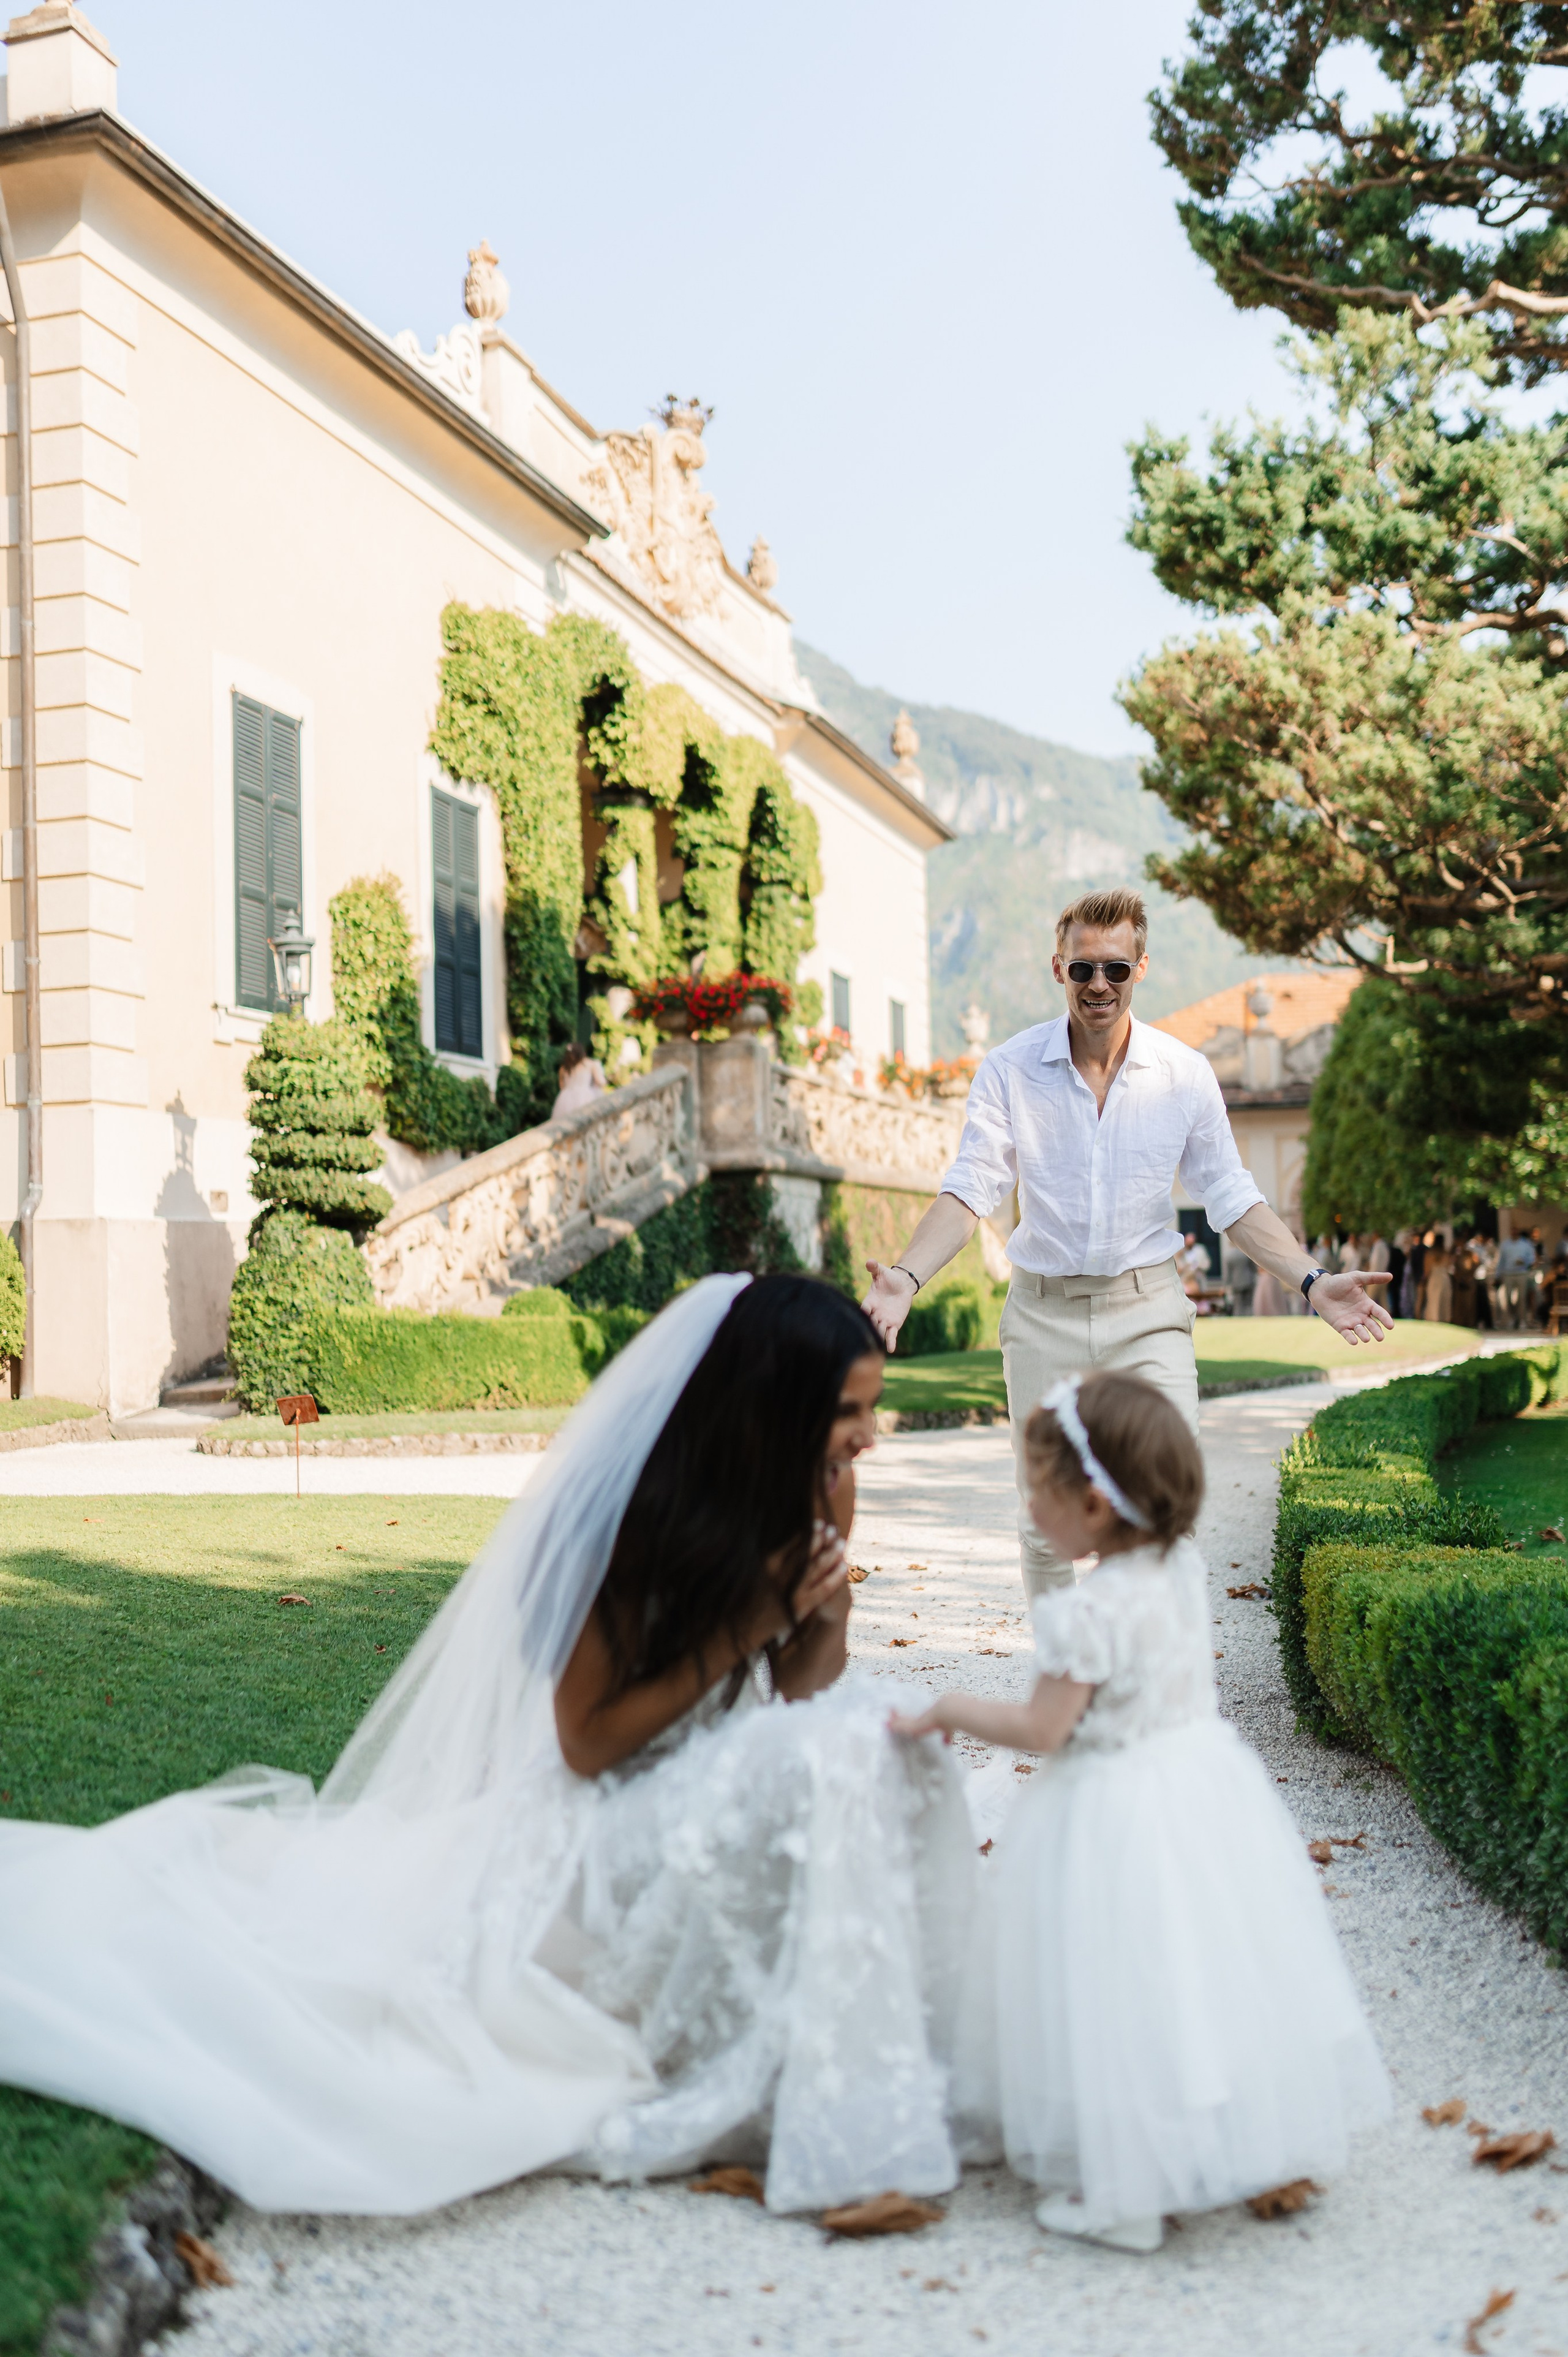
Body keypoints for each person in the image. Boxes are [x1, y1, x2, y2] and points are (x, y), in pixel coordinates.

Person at [0, 1277, 976, 2215]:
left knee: (883, 1740)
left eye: (872, 1407)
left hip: (695, 1788)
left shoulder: (821, 1489)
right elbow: (586, 1743)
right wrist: (749, 1623)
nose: (869, 1431)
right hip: (587, 1825)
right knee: (829, 1754)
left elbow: (802, 1695)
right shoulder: (636, 1519)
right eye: (850, 1410)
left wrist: (826, 1617)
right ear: (776, 1404)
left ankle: (879, 2063)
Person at [891, 1370, 1388, 2253]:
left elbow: (1045, 1728)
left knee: (1105, 1980)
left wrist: (950, 1709)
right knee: (1195, 1968)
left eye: (1035, 1489)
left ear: (1091, 1503)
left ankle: (1123, 2193)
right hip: (1199, 1787)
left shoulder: (1086, 1609)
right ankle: (1221, 2131)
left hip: (1111, 1808)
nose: (1027, 1506)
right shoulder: (1178, 1567)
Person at [862, 888, 1393, 1598]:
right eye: (1083, 969)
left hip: (1147, 1315)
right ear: (1059, 968)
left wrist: (1311, 1279)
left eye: (1115, 968)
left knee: (1164, 1504)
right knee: (1045, 1521)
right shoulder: (1010, 1070)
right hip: (1042, 1314)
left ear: (1140, 968)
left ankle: (1153, 1658)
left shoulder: (1183, 1074)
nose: (1099, 985)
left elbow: (1231, 1195)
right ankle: (1064, 1665)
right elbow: (971, 1189)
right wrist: (905, 1277)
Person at [552, 1041, 607, 1121]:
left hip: (566, 1099)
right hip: (585, 1096)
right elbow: (600, 1082)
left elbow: (562, 1086)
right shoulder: (590, 1063)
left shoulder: (563, 1068)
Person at [1418, 1237, 1453, 1323]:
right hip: (1445, 1278)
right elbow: (1449, 1267)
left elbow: (1427, 1270)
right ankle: (1444, 1319)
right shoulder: (1446, 1254)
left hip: (1434, 1278)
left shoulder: (1430, 1254)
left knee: (1433, 1300)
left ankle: (1433, 1318)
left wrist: (1423, 1281)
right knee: (1444, 1300)